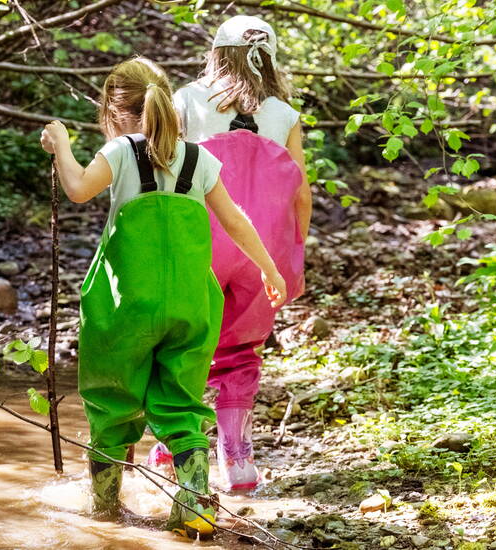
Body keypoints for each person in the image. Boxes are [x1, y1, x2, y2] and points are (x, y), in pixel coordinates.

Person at [39, 57, 286, 539]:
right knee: (180, 404)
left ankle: (105, 511)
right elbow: (236, 221)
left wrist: (62, 147)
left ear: (115, 113)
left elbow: (76, 189)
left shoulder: (119, 151)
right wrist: (269, 268)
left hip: (126, 304)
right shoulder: (200, 159)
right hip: (192, 303)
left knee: (113, 400)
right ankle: (193, 506)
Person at [148, 15, 311, 492]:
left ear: (217, 53)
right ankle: (237, 463)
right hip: (264, 248)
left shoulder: (187, 100)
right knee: (241, 348)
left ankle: (172, 446)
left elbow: (164, 166)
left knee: (185, 339)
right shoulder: (284, 114)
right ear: (271, 58)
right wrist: (293, 252)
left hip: (201, 240)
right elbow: (301, 192)